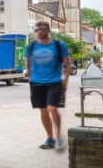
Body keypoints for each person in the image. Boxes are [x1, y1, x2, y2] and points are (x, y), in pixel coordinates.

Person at [25, 21, 70, 151]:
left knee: (52, 109)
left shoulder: (58, 45)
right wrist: (30, 79)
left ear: (49, 30)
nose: (39, 32)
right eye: (37, 30)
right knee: (43, 111)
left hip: (54, 82)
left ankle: (59, 136)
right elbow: (28, 64)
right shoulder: (31, 46)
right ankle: (50, 138)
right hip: (36, 82)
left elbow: (67, 63)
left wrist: (65, 80)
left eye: (42, 29)